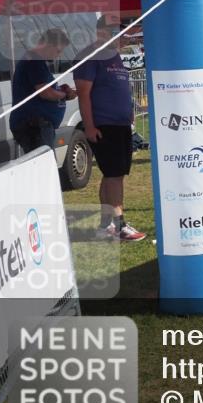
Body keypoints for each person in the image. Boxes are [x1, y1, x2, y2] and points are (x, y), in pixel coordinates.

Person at [75, 15, 146, 242]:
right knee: (114, 175)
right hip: (104, 125)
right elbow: (84, 94)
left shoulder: (114, 56)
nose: (126, 36)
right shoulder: (91, 55)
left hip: (121, 124)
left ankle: (106, 225)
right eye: (121, 31)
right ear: (105, 31)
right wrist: (89, 126)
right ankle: (119, 224)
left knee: (113, 176)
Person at [9, 28, 77, 153]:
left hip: (37, 126)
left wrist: (60, 90)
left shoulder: (35, 61)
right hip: (34, 126)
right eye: (58, 51)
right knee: (43, 166)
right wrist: (65, 95)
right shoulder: (34, 61)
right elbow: (46, 93)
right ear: (49, 45)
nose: (59, 55)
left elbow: (45, 89)